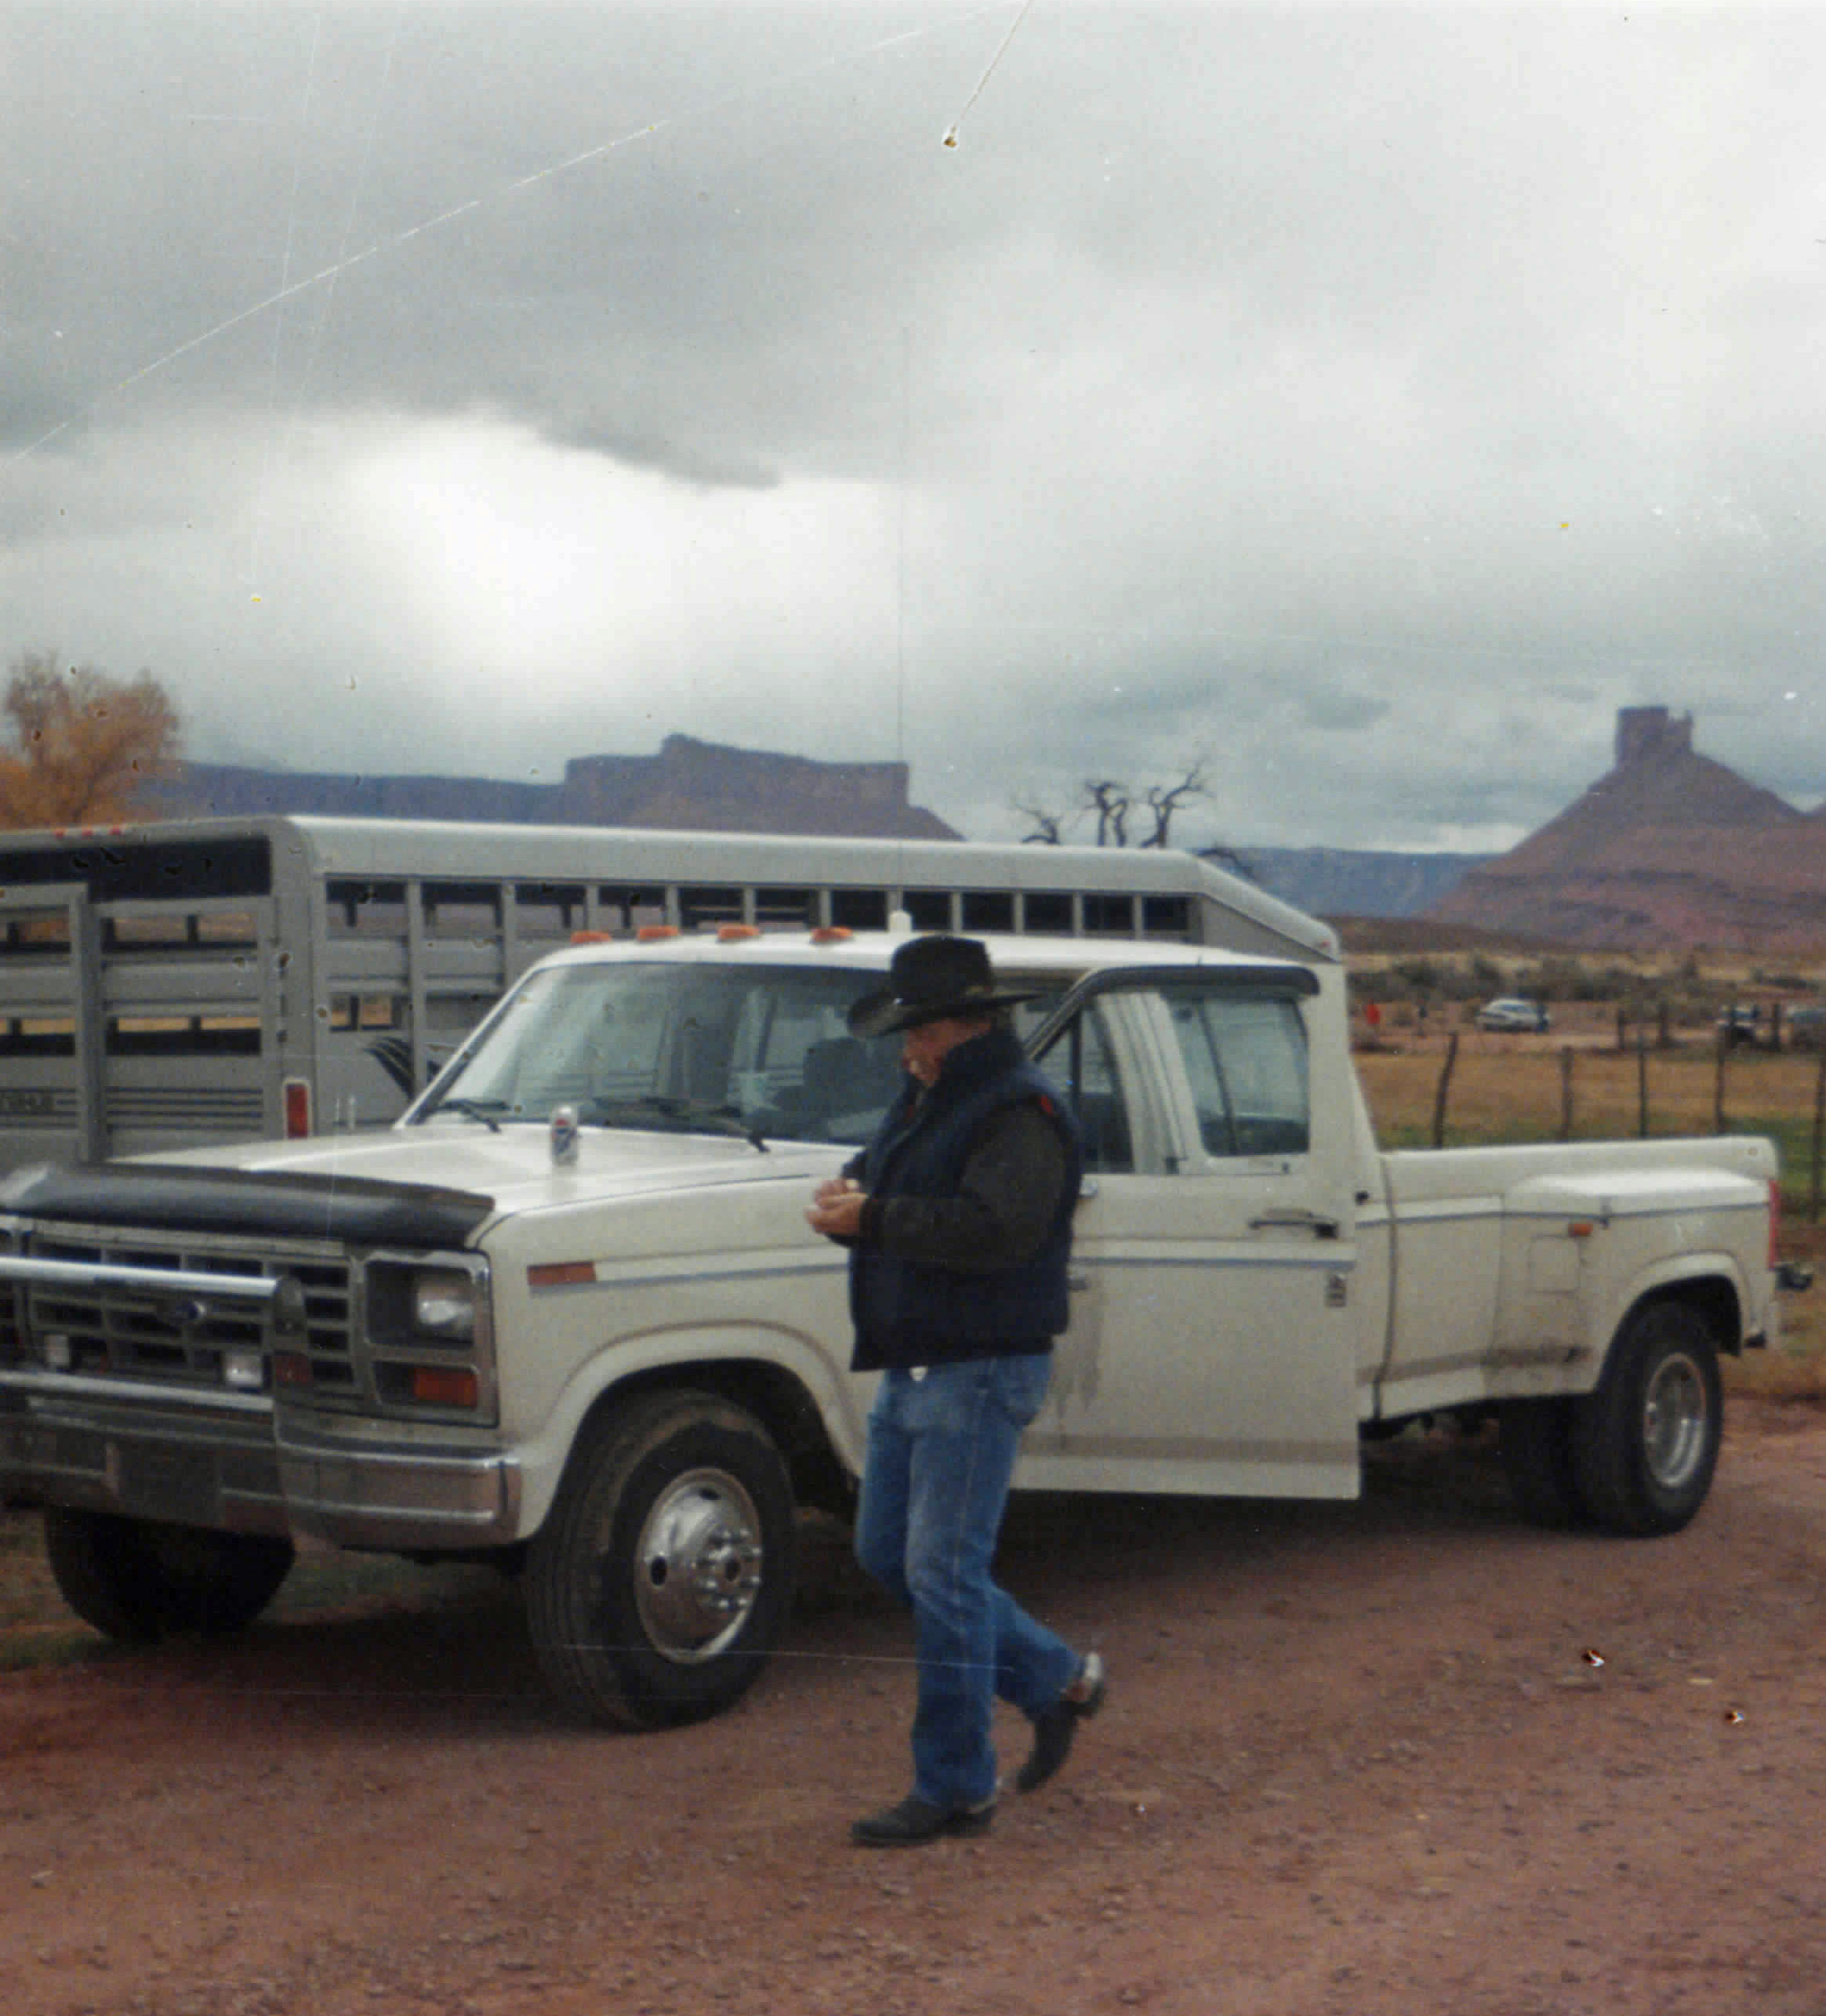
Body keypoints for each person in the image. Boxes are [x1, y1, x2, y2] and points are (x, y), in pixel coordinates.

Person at [807, 934, 1105, 1848]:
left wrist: (874, 1216)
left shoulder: (1019, 1109)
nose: (906, 1047)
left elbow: (999, 1230)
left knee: (936, 1570)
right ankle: (1056, 1679)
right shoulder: (942, 1094)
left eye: (915, 1030)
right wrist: (854, 1196)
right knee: (893, 1555)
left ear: (957, 1026)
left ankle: (955, 1787)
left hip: (976, 1368)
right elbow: (893, 1177)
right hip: (924, 1361)